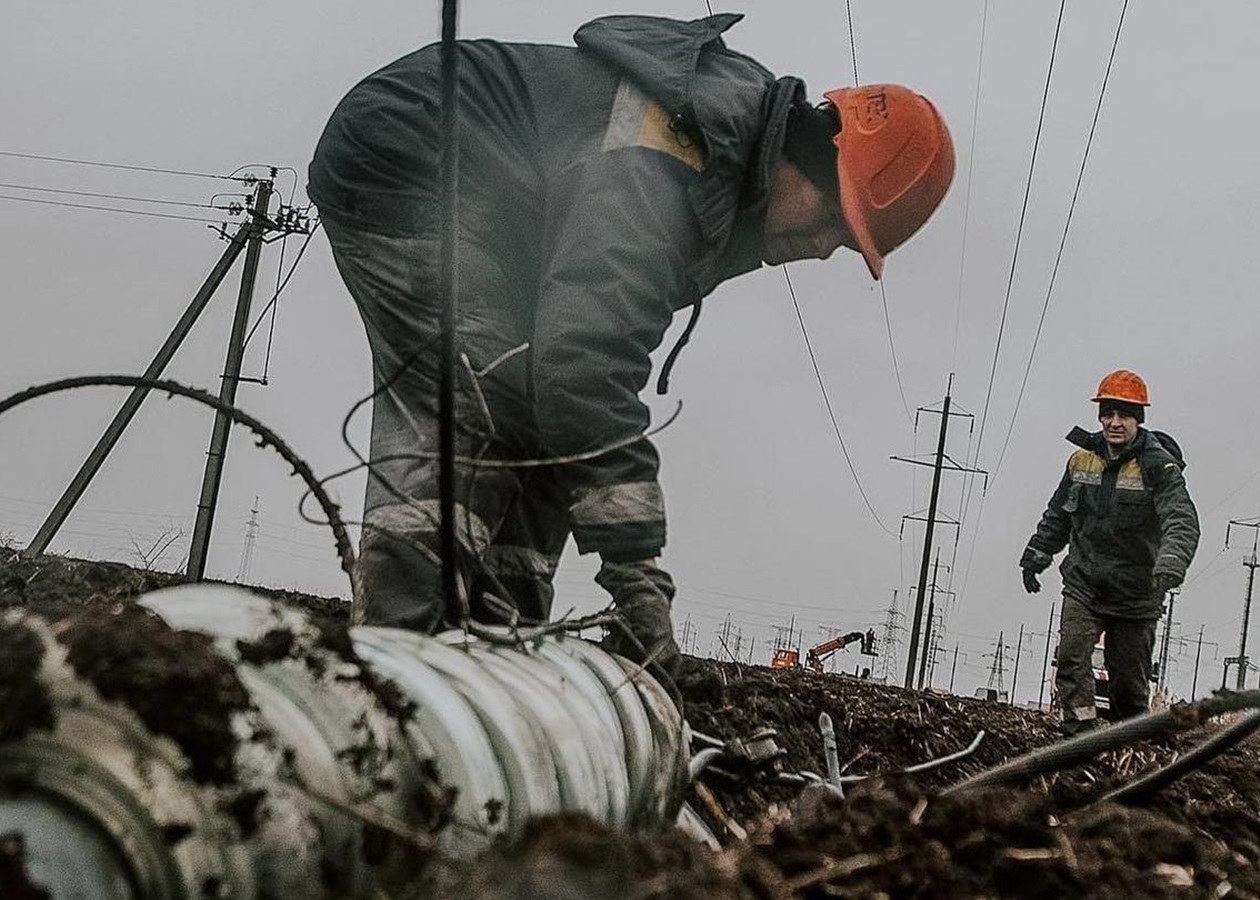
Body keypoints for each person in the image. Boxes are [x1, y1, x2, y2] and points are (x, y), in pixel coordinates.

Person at [308, 13, 956, 673]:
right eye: (835, 222)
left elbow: (574, 390)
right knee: (481, 390)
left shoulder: (718, 188)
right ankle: (394, 666)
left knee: (543, 418)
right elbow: (585, 364)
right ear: (809, 161)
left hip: (505, 204)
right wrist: (635, 572)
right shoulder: (667, 158)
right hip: (415, 152)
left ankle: (496, 655)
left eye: (845, 247)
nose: (822, 251)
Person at [1020, 370, 1200, 733]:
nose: (1115, 423)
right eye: (1108, 414)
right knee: (1071, 657)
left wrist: (1171, 563)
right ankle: (1079, 733)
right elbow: (1058, 514)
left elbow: (1182, 520)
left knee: (1129, 685)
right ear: (1100, 416)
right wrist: (1037, 554)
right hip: (1085, 582)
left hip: (1136, 593)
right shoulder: (1081, 462)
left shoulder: (1158, 467)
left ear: (1138, 420)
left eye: (1124, 415)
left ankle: (1126, 744)